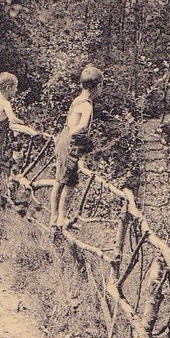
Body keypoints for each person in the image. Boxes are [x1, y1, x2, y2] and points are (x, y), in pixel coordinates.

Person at [49, 64, 104, 229]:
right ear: (99, 86)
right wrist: (74, 135)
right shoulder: (87, 104)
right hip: (71, 144)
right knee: (69, 183)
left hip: (64, 139)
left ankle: (54, 217)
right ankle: (61, 218)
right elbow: (82, 125)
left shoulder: (77, 99)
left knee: (59, 181)